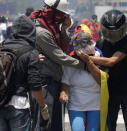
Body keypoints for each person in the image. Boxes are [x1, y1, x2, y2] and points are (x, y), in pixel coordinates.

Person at [29, 0, 87, 130]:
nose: (64, 18)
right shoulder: (42, 32)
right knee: (45, 123)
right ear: (53, 13)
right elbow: (59, 56)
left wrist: (64, 30)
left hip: (54, 81)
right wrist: (85, 65)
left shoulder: (52, 28)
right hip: (44, 83)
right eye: (62, 14)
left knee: (56, 123)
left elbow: (64, 47)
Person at [87, 9, 127, 131]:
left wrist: (88, 58)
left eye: (115, 33)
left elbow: (111, 61)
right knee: (109, 126)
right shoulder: (100, 44)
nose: (112, 36)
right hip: (109, 90)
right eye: (109, 32)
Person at [0, 15, 49, 131]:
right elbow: (35, 84)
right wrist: (43, 106)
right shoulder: (31, 51)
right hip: (18, 106)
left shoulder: (3, 46)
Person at [59, 32, 102, 131]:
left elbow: (101, 80)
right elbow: (65, 82)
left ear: (91, 43)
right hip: (76, 104)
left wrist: (89, 62)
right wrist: (63, 93)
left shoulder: (99, 56)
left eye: (86, 44)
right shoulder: (71, 60)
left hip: (95, 103)